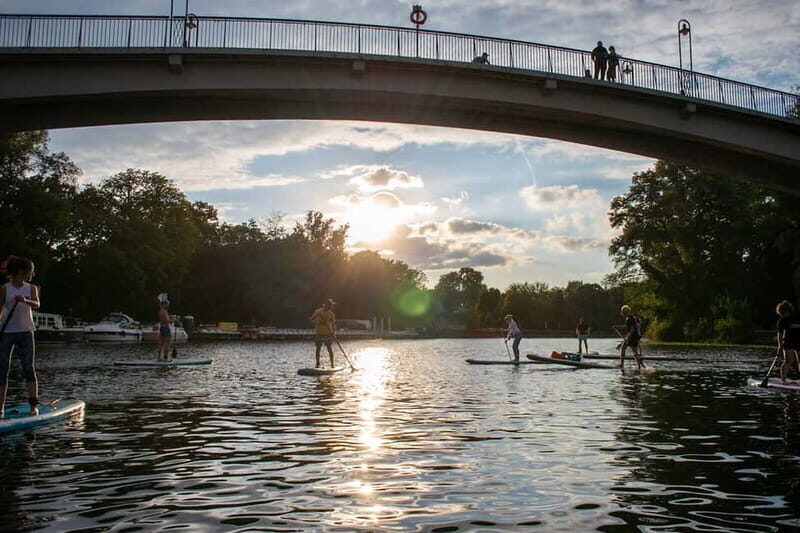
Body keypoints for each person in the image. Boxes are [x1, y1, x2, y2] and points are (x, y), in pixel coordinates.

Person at [0, 256, 41, 418]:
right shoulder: (4, 288)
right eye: (30, 271)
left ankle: (33, 406)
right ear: (21, 272)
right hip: (7, 333)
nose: (32, 274)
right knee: (3, 369)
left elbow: (37, 304)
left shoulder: (31, 288)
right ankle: (0, 408)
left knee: (28, 368)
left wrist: (26, 300)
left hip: (26, 332)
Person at [776, 300, 800, 383]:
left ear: (788, 311)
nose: (782, 315)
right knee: (788, 361)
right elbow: (779, 334)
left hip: (799, 340)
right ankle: (783, 380)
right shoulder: (781, 321)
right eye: (781, 314)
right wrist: (780, 346)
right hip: (788, 342)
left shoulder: (796, 316)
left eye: (783, 313)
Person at [310, 299, 336, 368]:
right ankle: (317, 363)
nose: (332, 306)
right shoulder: (318, 311)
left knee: (329, 349)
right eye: (331, 305)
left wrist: (334, 333)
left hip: (328, 333)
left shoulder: (331, 314)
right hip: (319, 333)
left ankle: (332, 364)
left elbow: (333, 325)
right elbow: (311, 319)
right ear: (327, 305)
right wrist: (317, 320)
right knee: (318, 348)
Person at [618, 305, 642, 369]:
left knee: (623, 348)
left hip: (632, 337)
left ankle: (621, 365)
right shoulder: (630, 318)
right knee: (635, 352)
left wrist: (628, 338)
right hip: (635, 337)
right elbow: (628, 327)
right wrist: (618, 327)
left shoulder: (629, 319)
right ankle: (639, 366)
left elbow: (632, 329)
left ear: (624, 312)